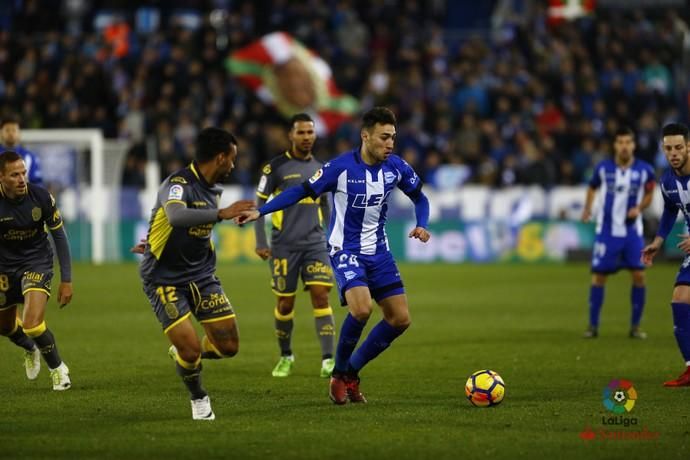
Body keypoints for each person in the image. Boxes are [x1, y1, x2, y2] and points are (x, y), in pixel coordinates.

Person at [239, 107, 431, 404]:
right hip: (345, 250)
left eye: (393, 137)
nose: (390, 143)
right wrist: (261, 210)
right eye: (384, 137)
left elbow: (420, 197)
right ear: (365, 136)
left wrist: (422, 224)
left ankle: (349, 372)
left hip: (379, 252)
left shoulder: (397, 168)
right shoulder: (339, 168)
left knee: (400, 319)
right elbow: (301, 191)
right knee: (362, 309)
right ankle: (339, 373)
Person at [139, 127, 255, 420]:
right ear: (220, 158)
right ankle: (199, 398)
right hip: (164, 279)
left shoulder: (213, 188)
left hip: (202, 275)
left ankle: (180, 351)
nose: (233, 164)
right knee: (191, 353)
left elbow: (190, 229)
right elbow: (176, 215)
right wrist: (221, 214)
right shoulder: (178, 183)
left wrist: (155, 238)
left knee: (228, 346)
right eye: (232, 159)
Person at [254, 113, 336, 378]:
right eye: (301, 132)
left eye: (310, 132)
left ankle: (328, 360)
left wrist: (332, 238)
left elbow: (326, 205)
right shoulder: (275, 168)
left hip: (315, 243)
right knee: (285, 304)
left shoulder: (322, 168)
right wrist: (260, 241)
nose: (306, 137)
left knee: (321, 295)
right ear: (290, 135)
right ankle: (286, 356)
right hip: (284, 246)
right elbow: (260, 205)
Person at [0, 150, 73, 390]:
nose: (21, 179)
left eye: (23, 173)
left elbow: (59, 237)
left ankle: (58, 369)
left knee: (31, 323)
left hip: (36, 262)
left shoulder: (40, 197)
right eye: (14, 175)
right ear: (1, 177)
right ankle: (30, 348)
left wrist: (67, 279)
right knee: (5, 326)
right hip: (4, 266)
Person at [581, 127, 655, 339]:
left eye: (628, 142)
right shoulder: (603, 168)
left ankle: (635, 326)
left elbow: (650, 193)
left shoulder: (645, 170)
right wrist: (588, 208)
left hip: (632, 233)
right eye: (620, 142)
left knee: (639, 275)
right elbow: (592, 187)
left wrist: (639, 208)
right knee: (599, 276)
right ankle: (593, 326)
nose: (624, 146)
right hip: (607, 232)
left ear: (633, 145)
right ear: (615, 145)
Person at [641, 122, 690, 387]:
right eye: (669, 148)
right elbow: (671, 209)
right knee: (680, 299)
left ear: (689, 147)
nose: (673, 153)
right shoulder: (668, 181)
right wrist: (658, 241)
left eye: (679, 147)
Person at [0, 116, 43, 184]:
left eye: (14, 130)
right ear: (1, 133)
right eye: (7, 130)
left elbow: (37, 183)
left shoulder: (30, 157)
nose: (11, 133)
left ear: (19, 133)